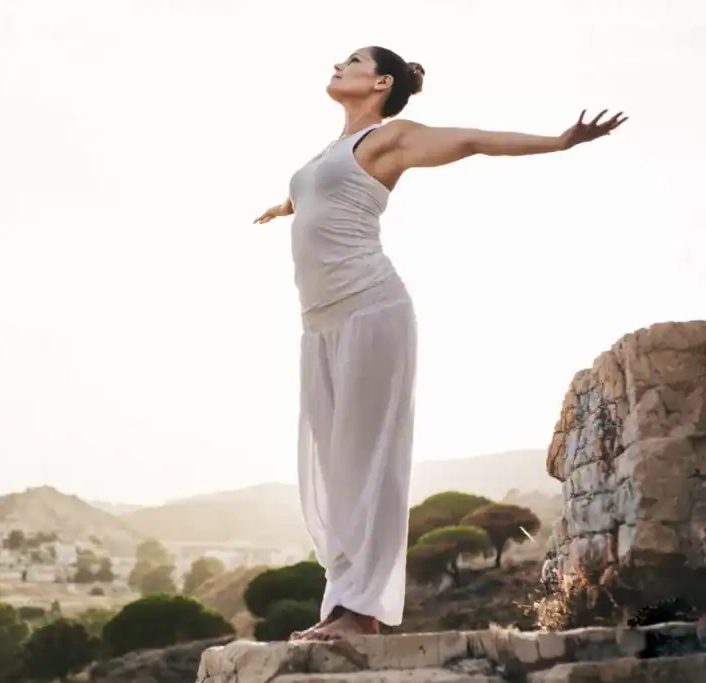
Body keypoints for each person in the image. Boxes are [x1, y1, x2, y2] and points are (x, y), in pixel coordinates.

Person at [253, 46, 626, 642]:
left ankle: (361, 614)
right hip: (318, 323)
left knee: (367, 460)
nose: (337, 63)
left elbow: (471, 140)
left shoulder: (389, 137)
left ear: (379, 82)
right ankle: (341, 604)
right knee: (333, 469)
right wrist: (287, 206)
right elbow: (313, 194)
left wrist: (558, 141)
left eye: (351, 60)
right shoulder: (328, 150)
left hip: (370, 310)